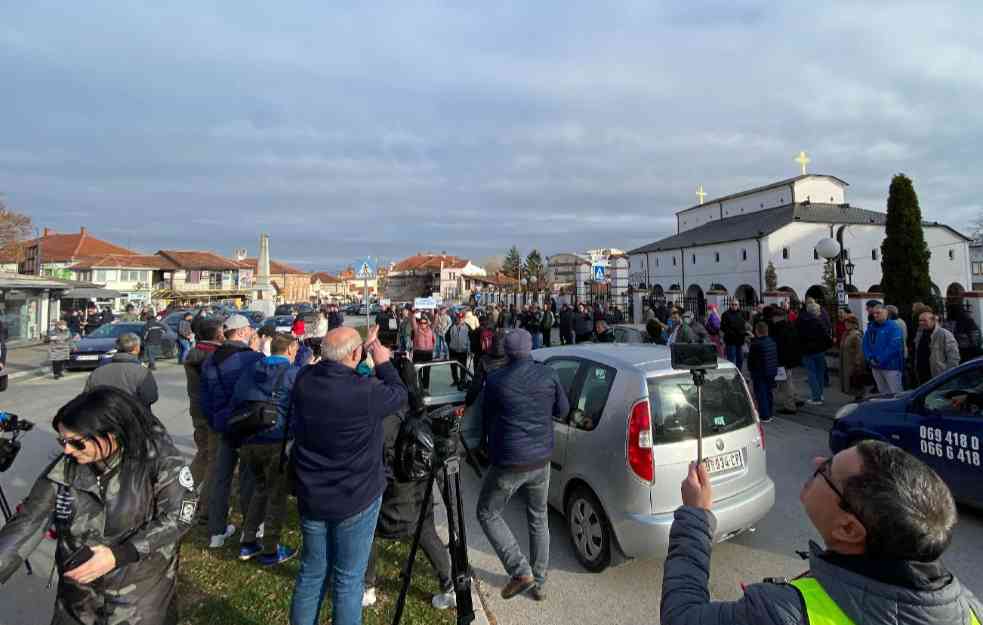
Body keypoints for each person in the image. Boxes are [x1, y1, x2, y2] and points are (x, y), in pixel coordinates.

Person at [660, 439, 982, 625]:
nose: (815, 461)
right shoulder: (970, 610)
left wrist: (696, 515)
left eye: (826, 470)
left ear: (848, 528)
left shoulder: (782, 612)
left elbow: (682, 617)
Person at [0, 388, 198, 625]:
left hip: (139, 601)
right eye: (62, 441)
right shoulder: (66, 468)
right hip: (77, 602)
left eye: (76, 443)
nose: (67, 450)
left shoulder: (157, 459)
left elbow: (180, 516)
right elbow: (25, 525)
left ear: (111, 434)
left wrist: (120, 554)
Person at [289, 326, 407, 625]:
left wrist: (363, 348)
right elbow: (399, 394)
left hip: (312, 492)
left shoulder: (303, 380)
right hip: (355, 495)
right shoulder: (364, 392)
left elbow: (312, 369)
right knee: (348, 579)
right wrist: (382, 360)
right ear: (356, 354)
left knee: (312, 572)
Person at [478, 329, 569, 602]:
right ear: (530, 348)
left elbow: (486, 419)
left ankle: (520, 571)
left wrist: (485, 446)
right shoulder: (549, 374)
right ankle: (539, 582)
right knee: (538, 517)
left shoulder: (495, 381)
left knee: (487, 512)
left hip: (508, 461)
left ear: (506, 351)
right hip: (541, 459)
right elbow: (563, 411)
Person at [363, 356, 455, 610]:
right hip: (419, 488)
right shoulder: (420, 409)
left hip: (390, 488)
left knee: (366, 531)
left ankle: (367, 586)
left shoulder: (384, 414)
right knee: (427, 535)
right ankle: (449, 585)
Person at [232, 332, 301, 566]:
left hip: (250, 438)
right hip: (277, 440)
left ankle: (248, 540)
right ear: (291, 350)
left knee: (260, 489)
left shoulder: (252, 370)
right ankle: (270, 550)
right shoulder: (292, 373)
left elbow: (237, 399)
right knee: (277, 496)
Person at [201, 314, 264, 549]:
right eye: (248, 329)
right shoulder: (252, 358)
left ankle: (216, 532)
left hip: (223, 426)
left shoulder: (211, 359)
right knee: (248, 479)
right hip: (247, 425)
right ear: (240, 332)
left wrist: (216, 421)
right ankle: (251, 528)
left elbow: (205, 400)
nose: (251, 332)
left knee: (222, 478)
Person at [183, 319, 224, 523]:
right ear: (217, 335)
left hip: (197, 412)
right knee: (214, 461)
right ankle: (205, 509)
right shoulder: (213, 356)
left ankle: (181, 496)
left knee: (203, 455)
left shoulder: (194, 352)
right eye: (222, 331)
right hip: (211, 414)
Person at [84, 332, 159, 409]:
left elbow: (86, 396)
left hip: (103, 415)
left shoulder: (97, 371)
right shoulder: (142, 372)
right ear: (136, 348)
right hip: (132, 416)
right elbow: (151, 397)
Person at [863, 304, 904, 395]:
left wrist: (878, 359)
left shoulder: (894, 327)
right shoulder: (871, 327)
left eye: (878, 313)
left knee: (895, 393)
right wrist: (869, 358)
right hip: (875, 367)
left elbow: (894, 347)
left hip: (891, 367)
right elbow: (865, 344)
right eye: (874, 313)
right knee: (882, 392)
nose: (875, 315)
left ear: (886, 313)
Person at [770, 308, 803, 414]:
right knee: (789, 380)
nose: (772, 320)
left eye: (773, 317)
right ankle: (796, 398)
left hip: (783, 360)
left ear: (776, 317)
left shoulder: (778, 329)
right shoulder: (790, 325)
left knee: (785, 383)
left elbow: (779, 346)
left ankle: (790, 406)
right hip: (792, 359)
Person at [914, 311, 960, 386]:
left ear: (933, 320)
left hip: (939, 376)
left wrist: (949, 375)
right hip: (922, 375)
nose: (921, 323)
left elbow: (953, 357)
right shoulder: (920, 333)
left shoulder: (944, 334)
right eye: (920, 320)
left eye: (924, 320)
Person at [747, 322, 778, 422]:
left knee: (761, 394)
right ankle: (769, 412)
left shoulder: (755, 344)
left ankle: (765, 415)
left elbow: (751, 360)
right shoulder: (771, 341)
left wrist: (751, 370)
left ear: (757, 331)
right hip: (771, 371)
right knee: (768, 393)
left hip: (760, 372)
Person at [839, 315, 866, 402]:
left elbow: (860, 350)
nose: (846, 325)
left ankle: (859, 398)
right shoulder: (846, 333)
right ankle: (856, 398)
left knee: (855, 381)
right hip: (846, 362)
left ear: (854, 324)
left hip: (853, 363)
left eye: (849, 323)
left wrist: (857, 363)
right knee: (850, 381)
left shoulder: (856, 335)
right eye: (846, 323)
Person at [721, 300, 748, 372]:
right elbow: (723, 327)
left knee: (740, 358)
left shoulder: (742, 313)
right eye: (732, 304)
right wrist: (731, 332)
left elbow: (744, 324)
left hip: (740, 340)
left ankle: (739, 372)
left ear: (738, 305)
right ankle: (731, 373)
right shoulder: (725, 314)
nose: (734, 306)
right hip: (730, 340)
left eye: (736, 304)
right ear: (730, 305)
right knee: (731, 358)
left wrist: (744, 332)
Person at [411, 313, 436, 389]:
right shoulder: (416, 329)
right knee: (418, 372)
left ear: (427, 323)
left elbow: (435, 321)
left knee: (427, 372)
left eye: (425, 323)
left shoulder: (431, 329)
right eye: (421, 322)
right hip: (418, 353)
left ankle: (425, 389)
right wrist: (413, 312)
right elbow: (413, 320)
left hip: (428, 353)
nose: (423, 324)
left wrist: (436, 313)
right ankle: (418, 388)